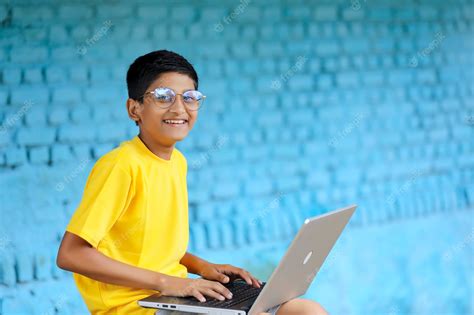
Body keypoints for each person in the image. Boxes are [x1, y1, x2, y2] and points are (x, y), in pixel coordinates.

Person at [56, 50, 327, 315]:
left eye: (190, 97)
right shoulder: (121, 165)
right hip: (137, 306)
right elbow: (71, 254)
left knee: (307, 310)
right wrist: (170, 282)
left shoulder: (177, 163)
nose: (179, 108)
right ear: (134, 109)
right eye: (163, 97)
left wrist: (202, 266)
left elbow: (153, 248)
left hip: (178, 295)